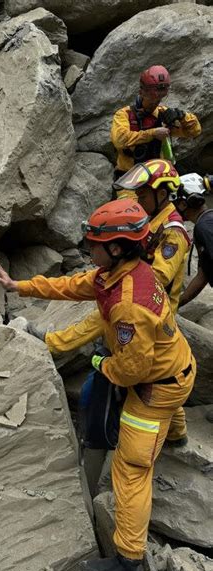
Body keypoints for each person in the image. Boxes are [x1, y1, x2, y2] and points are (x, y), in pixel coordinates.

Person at [0, 199, 196, 571]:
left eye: (93, 244)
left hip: (156, 388)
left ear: (116, 247)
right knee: (166, 407)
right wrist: (21, 286)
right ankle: (176, 436)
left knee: (131, 472)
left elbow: (131, 371)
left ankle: (129, 563)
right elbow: (75, 286)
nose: (88, 249)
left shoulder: (127, 307)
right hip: (175, 363)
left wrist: (100, 365)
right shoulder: (127, 273)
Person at [40, 159, 191, 446]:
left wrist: (125, 272)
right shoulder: (149, 217)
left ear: (163, 193)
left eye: (144, 194)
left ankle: (51, 345)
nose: (139, 199)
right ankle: (176, 433)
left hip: (150, 305)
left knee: (103, 330)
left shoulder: (172, 232)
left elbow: (159, 274)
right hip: (146, 302)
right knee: (166, 370)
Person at [111, 65, 201, 196]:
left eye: (159, 98)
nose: (156, 101)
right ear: (141, 92)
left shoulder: (163, 114)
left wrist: (182, 116)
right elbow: (120, 140)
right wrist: (152, 133)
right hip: (129, 178)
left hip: (158, 180)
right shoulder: (124, 114)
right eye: (153, 97)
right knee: (133, 212)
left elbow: (194, 132)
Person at [175, 173, 213, 307]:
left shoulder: (205, 226)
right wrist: (176, 303)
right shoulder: (203, 224)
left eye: (177, 200)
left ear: (186, 203)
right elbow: (203, 276)